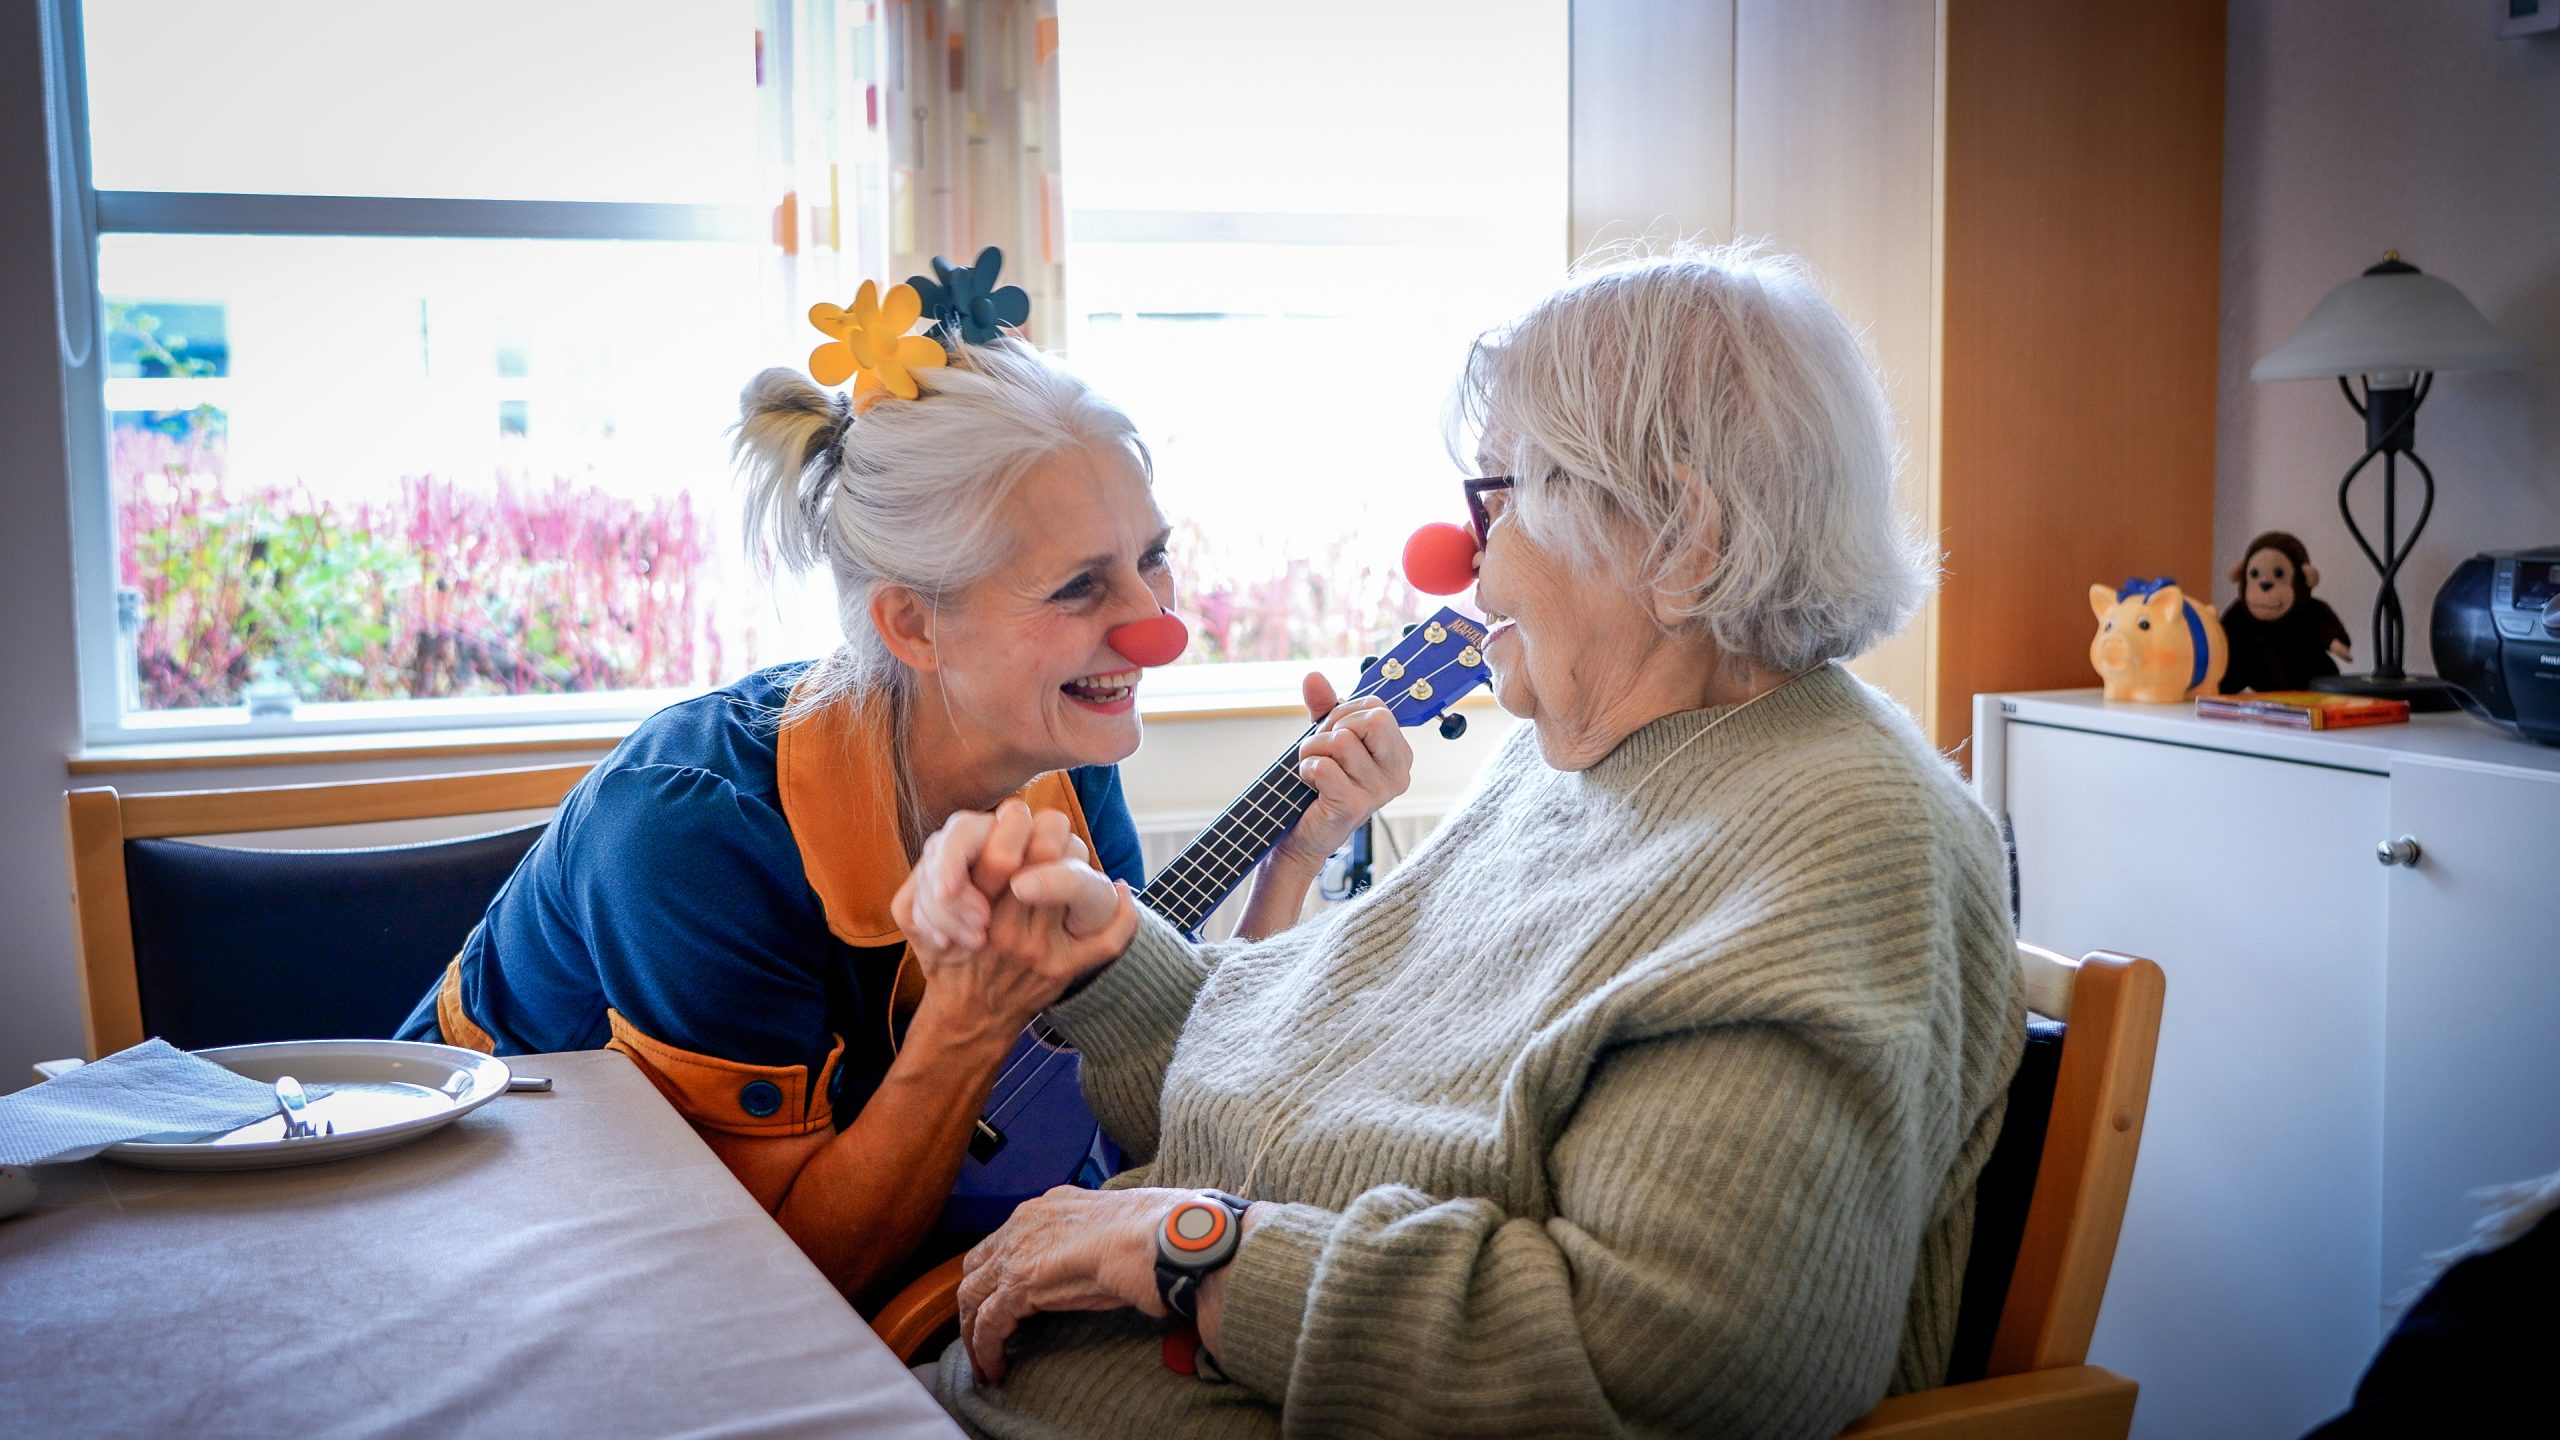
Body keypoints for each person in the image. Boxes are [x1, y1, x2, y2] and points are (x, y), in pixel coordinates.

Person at [897, 246, 2025, 1437]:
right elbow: (1314, 1067)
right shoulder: (1566, 765)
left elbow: (1674, 1360)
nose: (1460, 555)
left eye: (1498, 496)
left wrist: (1189, 1252)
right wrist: (1114, 958)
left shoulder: (1842, 845)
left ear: (1682, 534)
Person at [395, 277, 1412, 1306]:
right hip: (468, 1250)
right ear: (914, 626)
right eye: (1079, 585)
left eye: (1151, 561)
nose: (1156, 623)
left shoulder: (1064, 756)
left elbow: (1135, 1073)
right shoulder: (695, 835)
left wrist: (1295, 856)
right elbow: (786, 1289)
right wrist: (969, 1018)